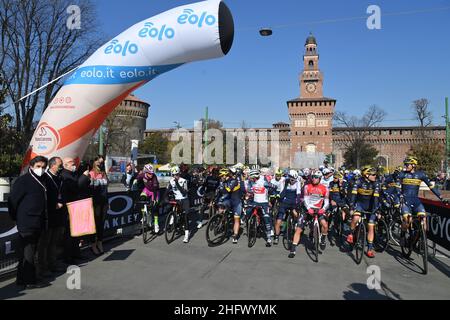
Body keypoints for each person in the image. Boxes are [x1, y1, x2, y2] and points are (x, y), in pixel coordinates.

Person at [8, 156, 49, 289]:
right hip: (27, 221)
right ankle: (30, 280)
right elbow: (13, 201)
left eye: (43, 167)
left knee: (29, 251)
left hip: (38, 221)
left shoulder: (42, 179)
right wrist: (16, 218)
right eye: (38, 166)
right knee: (29, 252)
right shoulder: (23, 181)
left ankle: (21, 279)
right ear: (31, 166)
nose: (41, 169)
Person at [398, 156, 448, 247]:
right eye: (405, 164)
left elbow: (431, 187)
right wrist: (398, 197)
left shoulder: (421, 174)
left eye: (407, 164)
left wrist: (441, 197)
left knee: (423, 218)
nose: (406, 166)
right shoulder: (402, 174)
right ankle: (402, 235)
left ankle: (422, 237)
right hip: (405, 201)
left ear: (413, 165)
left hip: (416, 200)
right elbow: (396, 187)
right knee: (407, 220)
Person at [289, 170, 329, 258]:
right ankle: (293, 250)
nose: (314, 179)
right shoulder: (307, 187)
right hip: (307, 209)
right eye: (313, 177)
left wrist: (323, 209)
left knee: (325, 225)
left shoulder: (325, 188)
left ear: (320, 179)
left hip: (319, 210)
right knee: (298, 229)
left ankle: (322, 239)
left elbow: (326, 202)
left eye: (316, 177)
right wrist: (308, 208)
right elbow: (306, 199)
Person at [37, 157, 65, 278]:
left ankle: (52, 263)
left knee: (54, 242)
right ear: (52, 165)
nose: (61, 166)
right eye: (60, 164)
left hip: (58, 215)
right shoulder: (45, 178)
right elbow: (42, 197)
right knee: (45, 244)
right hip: (48, 215)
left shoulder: (59, 178)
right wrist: (53, 204)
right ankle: (43, 267)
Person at [60, 157, 91, 264]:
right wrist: (84, 176)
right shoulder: (65, 175)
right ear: (64, 165)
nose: (73, 164)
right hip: (69, 207)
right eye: (70, 163)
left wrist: (85, 177)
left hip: (78, 205)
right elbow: (76, 187)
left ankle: (76, 253)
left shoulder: (74, 174)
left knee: (77, 233)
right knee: (69, 234)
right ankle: (68, 257)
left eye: (73, 163)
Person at [346, 166, 380, 258]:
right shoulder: (358, 182)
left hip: (371, 206)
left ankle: (369, 249)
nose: (375, 176)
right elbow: (353, 196)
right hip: (360, 204)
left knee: (371, 227)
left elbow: (376, 198)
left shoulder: (376, 183)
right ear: (366, 175)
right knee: (356, 218)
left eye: (375, 174)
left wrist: (376, 210)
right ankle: (351, 233)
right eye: (373, 174)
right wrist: (352, 207)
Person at [215, 168, 243, 244]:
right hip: (229, 200)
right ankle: (221, 220)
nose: (221, 177)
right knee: (221, 206)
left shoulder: (233, 180)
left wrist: (222, 184)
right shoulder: (223, 181)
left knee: (236, 219)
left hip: (236, 202)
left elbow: (227, 190)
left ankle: (235, 235)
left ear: (225, 176)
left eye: (222, 176)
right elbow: (220, 192)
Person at [246, 169, 273, 247]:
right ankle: (254, 226)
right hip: (255, 201)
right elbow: (249, 190)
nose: (251, 179)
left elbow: (272, 187)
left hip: (264, 202)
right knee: (248, 212)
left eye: (252, 177)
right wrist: (249, 193)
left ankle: (268, 239)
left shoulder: (263, 181)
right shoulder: (251, 182)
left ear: (255, 176)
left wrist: (270, 188)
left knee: (266, 218)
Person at [273, 170, 301, 245]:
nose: (293, 181)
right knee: (278, 221)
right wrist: (279, 196)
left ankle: (297, 226)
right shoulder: (284, 181)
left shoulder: (298, 182)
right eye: (291, 179)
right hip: (284, 202)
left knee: (296, 214)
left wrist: (297, 202)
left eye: (294, 180)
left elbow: (298, 194)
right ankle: (276, 236)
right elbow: (282, 192)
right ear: (289, 177)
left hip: (293, 202)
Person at [165, 166, 191, 243]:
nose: (174, 176)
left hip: (184, 200)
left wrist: (177, 183)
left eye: (176, 174)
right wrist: (165, 199)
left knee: (186, 217)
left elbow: (184, 192)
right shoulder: (171, 181)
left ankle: (186, 235)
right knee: (171, 210)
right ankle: (171, 223)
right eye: (173, 175)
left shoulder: (184, 181)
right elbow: (166, 191)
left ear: (179, 173)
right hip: (177, 199)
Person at [89, 155, 108, 255]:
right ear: (94, 162)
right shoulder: (90, 173)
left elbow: (106, 188)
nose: (100, 164)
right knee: (94, 224)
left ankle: (100, 243)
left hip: (104, 202)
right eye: (98, 162)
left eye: (101, 163)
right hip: (94, 203)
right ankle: (93, 245)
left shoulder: (104, 173)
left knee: (101, 224)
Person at [136, 164, 160, 233]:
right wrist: (135, 180)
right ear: (146, 172)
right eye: (149, 173)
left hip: (155, 191)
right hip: (147, 190)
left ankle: (156, 224)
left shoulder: (154, 177)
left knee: (155, 207)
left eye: (152, 173)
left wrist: (154, 199)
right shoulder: (143, 174)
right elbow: (138, 177)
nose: (151, 174)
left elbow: (155, 190)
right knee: (142, 199)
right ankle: (144, 216)